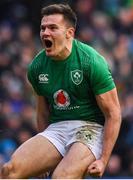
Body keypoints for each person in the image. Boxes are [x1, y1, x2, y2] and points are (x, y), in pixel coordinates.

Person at [0, 3, 121, 179]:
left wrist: (103, 159)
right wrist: (41, 163)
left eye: (52, 28)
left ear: (69, 33)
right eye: (43, 28)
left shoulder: (91, 61)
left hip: (91, 128)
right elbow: (42, 112)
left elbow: (114, 113)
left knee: (61, 177)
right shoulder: (37, 67)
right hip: (57, 129)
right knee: (8, 171)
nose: (45, 33)